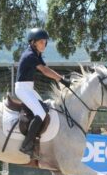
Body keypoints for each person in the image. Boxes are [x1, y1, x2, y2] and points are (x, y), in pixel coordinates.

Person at [15, 28, 71, 157]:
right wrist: (61, 79)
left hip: (28, 88)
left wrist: (61, 79)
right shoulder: (30, 56)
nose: (44, 44)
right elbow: (45, 71)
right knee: (40, 112)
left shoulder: (36, 54)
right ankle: (26, 145)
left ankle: (36, 140)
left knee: (44, 108)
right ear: (33, 42)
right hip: (22, 89)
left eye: (45, 42)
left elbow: (46, 69)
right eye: (41, 42)